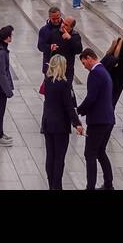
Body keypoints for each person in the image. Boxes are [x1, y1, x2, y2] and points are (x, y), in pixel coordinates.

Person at [40, 54, 83, 190]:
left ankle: (51, 184)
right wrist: (77, 124)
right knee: (59, 157)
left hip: (48, 122)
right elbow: (68, 107)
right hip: (60, 125)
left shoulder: (47, 81)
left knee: (50, 156)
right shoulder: (64, 84)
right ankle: (57, 186)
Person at [76, 47, 114, 190]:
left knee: (90, 153)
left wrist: (78, 111)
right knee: (100, 152)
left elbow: (91, 98)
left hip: (98, 121)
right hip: (107, 119)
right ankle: (109, 184)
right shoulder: (103, 71)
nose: (84, 66)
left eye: (84, 63)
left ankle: (90, 186)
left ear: (89, 58)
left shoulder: (95, 74)